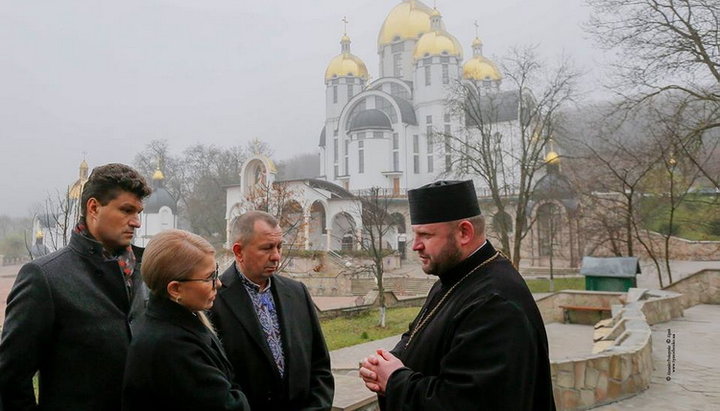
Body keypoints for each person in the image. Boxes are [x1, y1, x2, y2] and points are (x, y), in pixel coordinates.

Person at [359, 180, 556, 410]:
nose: (415, 246)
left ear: (464, 232)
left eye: (426, 235)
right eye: (415, 235)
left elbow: (466, 402)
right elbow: (419, 334)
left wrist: (394, 379)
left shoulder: (494, 303)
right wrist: (384, 363)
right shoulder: (453, 279)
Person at [0, 163, 152, 410]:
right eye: (126, 210)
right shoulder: (45, 277)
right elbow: (11, 377)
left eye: (139, 212)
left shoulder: (145, 271)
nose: (136, 222)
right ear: (93, 208)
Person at [210, 210, 334, 411]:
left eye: (279, 246)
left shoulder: (297, 293)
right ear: (238, 251)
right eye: (267, 248)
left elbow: (320, 367)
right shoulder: (213, 300)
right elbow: (217, 383)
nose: (276, 256)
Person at [122, 229, 250, 411]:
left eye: (217, 273)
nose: (219, 284)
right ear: (175, 289)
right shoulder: (173, 347)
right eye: (209, 278)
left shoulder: (173, 323)